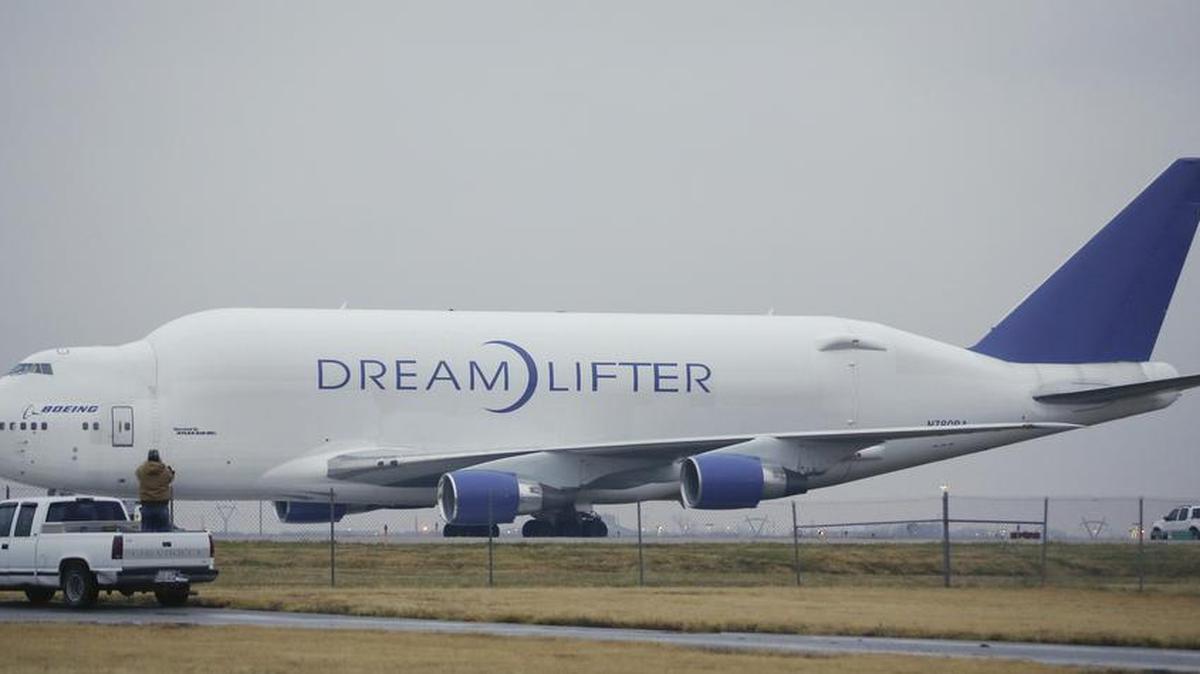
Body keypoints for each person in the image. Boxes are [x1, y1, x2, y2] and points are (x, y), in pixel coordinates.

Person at [135, 449, 175, 532]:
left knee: (146, 530)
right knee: (163, 533)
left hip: (147, 505)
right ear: (158, 458)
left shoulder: (142, 470)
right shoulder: (165, 471)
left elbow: (138, 474)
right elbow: (170, 478)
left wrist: (146, 464)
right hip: (161, 505)